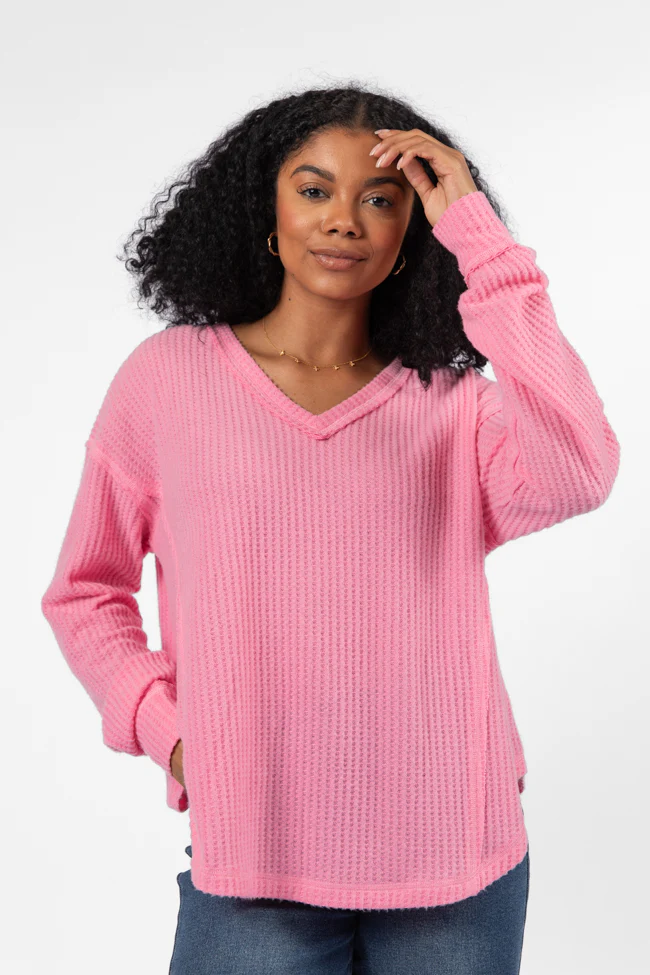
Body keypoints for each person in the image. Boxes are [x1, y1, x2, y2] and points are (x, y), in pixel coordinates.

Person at [41, 83, 620, 974]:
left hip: (456, 857)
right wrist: (170, 732)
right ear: (266, 212)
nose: (343, 219)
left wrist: (481, 241)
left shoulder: (455, 405)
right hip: (254, 858)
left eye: (380, 199)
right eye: (313, 190)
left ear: (411, 233)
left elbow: (581, 466)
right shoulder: (165, 382)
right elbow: (85, 590)